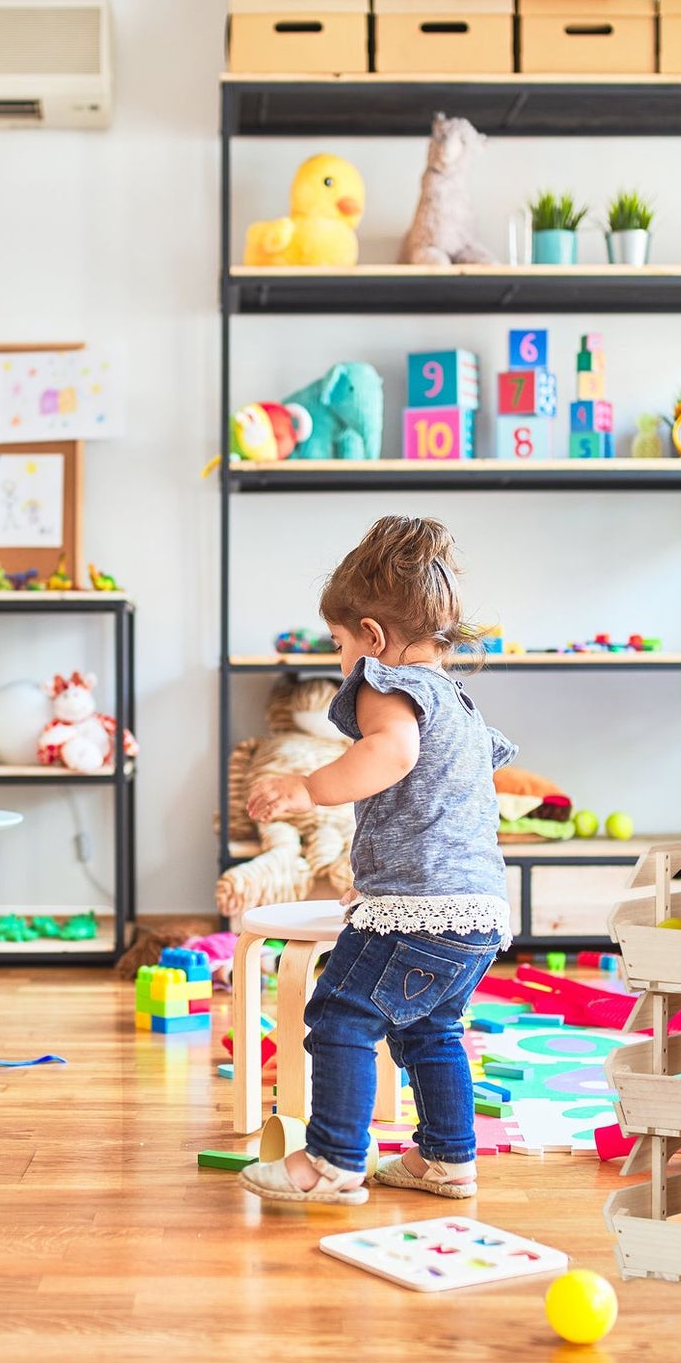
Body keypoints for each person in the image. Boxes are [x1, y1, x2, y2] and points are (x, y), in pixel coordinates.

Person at [239, 515, 515, 1205]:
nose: (341, 660)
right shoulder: (458, 703)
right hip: (477, 912)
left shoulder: (386, 683)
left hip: (419, 911)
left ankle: (332, 1160)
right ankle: (447, 1158)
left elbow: (391, 754)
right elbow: (435, 806)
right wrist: (375, 879)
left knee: (340, 1014)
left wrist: (305, 786)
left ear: (373, 636)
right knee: (430, 1028)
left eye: (338, 643)